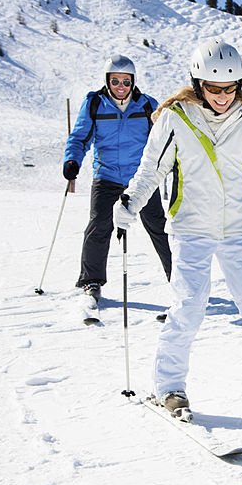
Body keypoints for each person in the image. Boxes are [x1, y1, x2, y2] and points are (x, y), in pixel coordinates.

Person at [114, 39, 242, 416]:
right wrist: (131, 201)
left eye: (230, 88)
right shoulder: (176, 117)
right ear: (198, 83)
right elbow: (153, 169)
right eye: (214, 89)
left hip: (239, 230)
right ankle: (169, 387)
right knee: (188, 307)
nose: (222, 96)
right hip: (191, 227)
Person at [63, 54, 172, 305]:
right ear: (107, 81)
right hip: (107, 175)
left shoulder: (147, 105)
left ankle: (179, 278)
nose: (120, 87)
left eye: (125, 81)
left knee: (159, 226)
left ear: (133, 82)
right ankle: (91, 281)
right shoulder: (95, 104)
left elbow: (163, 140)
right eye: (115, 81)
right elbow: (80, 137)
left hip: (141, 178)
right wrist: (72, 160)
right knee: (99, 225)